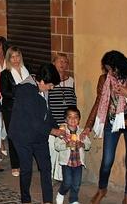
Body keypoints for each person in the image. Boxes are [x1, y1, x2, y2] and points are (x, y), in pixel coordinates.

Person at [83, 50, 127, 204]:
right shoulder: (104, 79)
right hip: (111, 122)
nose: (110, 72)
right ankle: (102, 189)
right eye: (107, 69)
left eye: (113, 69)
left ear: (120, 65)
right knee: (107, 160)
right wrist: (88, 126)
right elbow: (99, 102)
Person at [9, 63, 63, 204]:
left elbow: (47, 112)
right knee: (26, 169)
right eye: (51, 85)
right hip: (22, 135)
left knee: (46, 168)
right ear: (42, 81)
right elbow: (34, 121)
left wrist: (59, 127)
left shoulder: (42, 88)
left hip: (39, 136)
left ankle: (48, 201)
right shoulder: (25, 90)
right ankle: (25, 200)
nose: (52, 89)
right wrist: (54, 131)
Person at [0, 46, 29, 177]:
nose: (16, 59)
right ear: (9, 58)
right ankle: (15, 165)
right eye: (13, 57)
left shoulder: (26, 70)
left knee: (25, 135)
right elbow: (5, 92)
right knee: (13, 136)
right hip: (11, 108)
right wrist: (20, 91)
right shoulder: (5, 74)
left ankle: (25, 162)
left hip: (26, 107)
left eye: (18, 56)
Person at [48, 53, 77, 181]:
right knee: (52, 150)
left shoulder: (71, 81)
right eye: (60, 61)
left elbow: (73, 101)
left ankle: (59, 177)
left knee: (64, 150)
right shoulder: (49, 81)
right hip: (53, 122)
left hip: (66, 123)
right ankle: (50, 176)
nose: (63, 64)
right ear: (54, 63)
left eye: (65, 62)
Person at [54, 106, 91, 204]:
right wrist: (67, 145)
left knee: (76, 184)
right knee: (67, 182)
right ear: (66, 119)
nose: (73, 119)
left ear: (79, 119)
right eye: (70, 117)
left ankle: (73, 199)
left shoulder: (81, 132)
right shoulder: (62, 132)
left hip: (78, 162)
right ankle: (61, 193)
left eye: (76, 117)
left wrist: (82, 144)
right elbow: (57, 146)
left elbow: (88, 145)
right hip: (67, 162)